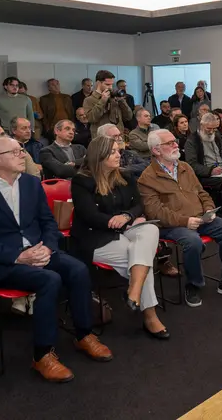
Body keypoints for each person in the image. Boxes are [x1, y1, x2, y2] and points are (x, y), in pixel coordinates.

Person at [0, 137, 112, 382]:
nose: (23, 154)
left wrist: (48, 248)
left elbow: (48, 223)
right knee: (49, 280)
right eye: (16, 151)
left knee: (78, 269)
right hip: (0, 263)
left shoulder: (31, 183)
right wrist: (18, 256)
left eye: (22, 150)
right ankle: (42, 355)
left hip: (39, 251)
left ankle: (84, 334)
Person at [70, 137, 167, 339]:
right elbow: (88, 215)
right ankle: (150, 315)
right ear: (100, 155)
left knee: (151, 230)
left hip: (125, 227)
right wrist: (114, 220)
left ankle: (134, 291)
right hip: (96, 236)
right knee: (142, 260)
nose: (118, 154)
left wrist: (127, 216)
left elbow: (139, 205)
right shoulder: (82, 180)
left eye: (118, 150)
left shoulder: (125, 176)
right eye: (113, 151)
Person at [138, 129, 222, 307]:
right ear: (156, 150)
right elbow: (155, 213)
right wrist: (185, 221)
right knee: (193, 241)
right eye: (170, 143)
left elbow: (201, 192)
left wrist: (209, 209)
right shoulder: (147, 178)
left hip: (200, 217)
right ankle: (194, 284)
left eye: (175, 141)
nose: (176, 145)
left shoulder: (185, 167)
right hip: (173, 224)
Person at [184, 112, 222, 198]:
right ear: (201, 125)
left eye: (214, 129)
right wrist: (210, 171)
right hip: (206, 175)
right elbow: (192, 165)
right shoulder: (192, 141)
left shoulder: (217, 136)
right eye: (209, 128)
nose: (211, 132)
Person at [83, 70, 133, 138]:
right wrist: (102, 101)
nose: (110, 87)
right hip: (102, 139)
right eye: (107, 84)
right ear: (98, 83)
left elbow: (128, 117)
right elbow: (92, 118)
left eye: (112, 84)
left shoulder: (114, 98)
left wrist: (122, 102)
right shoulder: (89, 100)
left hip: (118, 137)